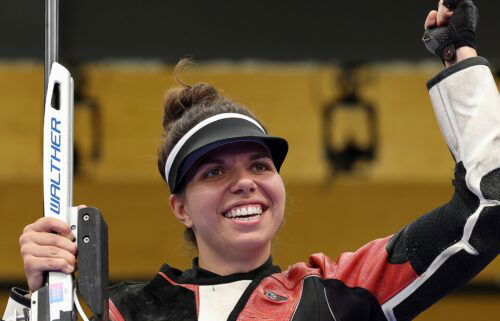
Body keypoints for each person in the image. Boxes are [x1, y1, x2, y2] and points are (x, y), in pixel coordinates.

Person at [3, 0, 499, 320]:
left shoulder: (336, 298)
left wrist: (463, 63)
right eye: (214, 171)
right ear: (180, 207)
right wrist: (36, 300)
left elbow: (488, 208)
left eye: (260, 166)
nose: (245, 183)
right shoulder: (121, 312)